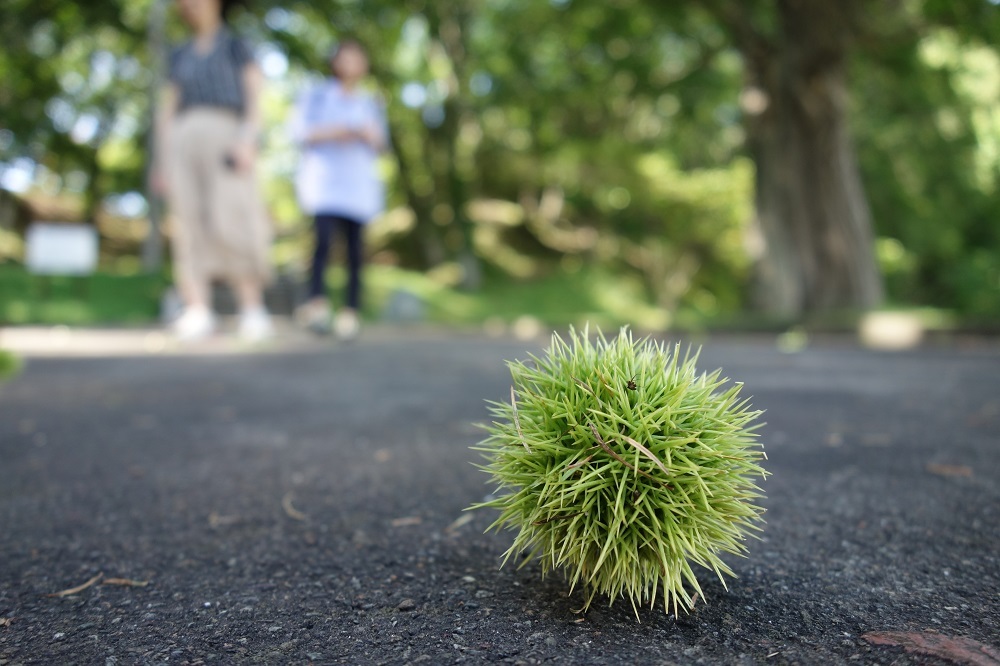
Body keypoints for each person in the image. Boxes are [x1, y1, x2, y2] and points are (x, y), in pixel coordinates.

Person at [152, 0, 273, 342]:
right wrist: (163, 162)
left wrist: (248, 140)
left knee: (233, 217)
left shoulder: (236, 45)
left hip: (227, 134)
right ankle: (198, 309)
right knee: (188, 223)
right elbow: (167, 111)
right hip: (184, 140)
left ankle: (252, 308)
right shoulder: (179, 54)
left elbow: (255, 96)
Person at [289, 39, 387, 340]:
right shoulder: (316, 96)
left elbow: (381, 145)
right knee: (322, 243)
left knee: (356, 251)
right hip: (325, 184)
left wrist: (368, 135)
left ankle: (350, 313)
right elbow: (298, 132)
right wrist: (339, 131)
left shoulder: (370, 102)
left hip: (358, 187)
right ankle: (317, 304)